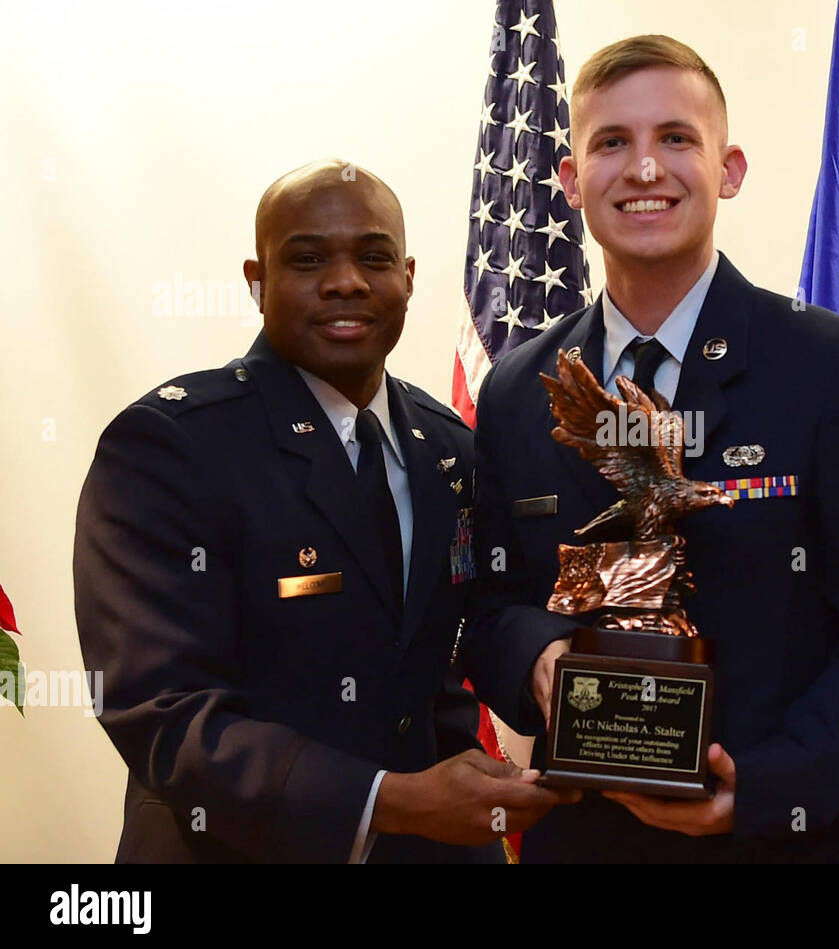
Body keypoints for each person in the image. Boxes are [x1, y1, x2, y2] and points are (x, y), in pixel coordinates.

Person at [463, 35, 839, 863]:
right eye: (612, 142)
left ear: (729, 170)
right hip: (588, 844)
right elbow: (486, 606)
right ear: (572, 182)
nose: (645, 169)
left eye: (676, 139)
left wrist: (767, 789)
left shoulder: (838, 369)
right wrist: (538, 659)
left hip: (796, 842)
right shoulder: (517, 389)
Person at [73, 159, 575, 863]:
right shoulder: (172, 446)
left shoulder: (449, 447)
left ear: (408, 277)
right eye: (308, 259)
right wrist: (390, 801)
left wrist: (538, 699)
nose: (346, 281)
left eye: (373, 257)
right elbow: (162, 712)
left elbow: (439, 663)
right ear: (257, 283)